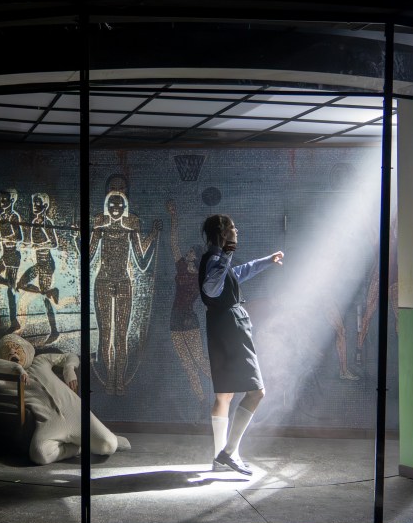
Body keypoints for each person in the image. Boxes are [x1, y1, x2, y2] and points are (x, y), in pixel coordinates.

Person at [198, 214, 284, 476]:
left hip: (220, 327)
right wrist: (229, 251)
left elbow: (237, 274)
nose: (236, 230)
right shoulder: (215, 258)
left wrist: (267, 261)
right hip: (231, 328)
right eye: (232, 227)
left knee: (224, 395)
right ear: (222, 232)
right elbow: (211, 289)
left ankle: (220, 459)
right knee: (257, 392)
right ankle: (228, 453)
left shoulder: (215, 258)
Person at [0, 333, 131, 465]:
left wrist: (69, 369)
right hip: (49, 421)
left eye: (17, 348)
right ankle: (78, 447)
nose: (12, 351)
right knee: (39, 454)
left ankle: (105, 438)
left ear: (26, 350)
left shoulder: (40, 360)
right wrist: (16, 368)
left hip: (75, 412)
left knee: (108, 445)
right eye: (6, 350)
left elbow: (69, 356)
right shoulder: (3, 379)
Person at [86, 188, 162, 395]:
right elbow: (89, 255)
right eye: (112, 205)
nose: (115, 209)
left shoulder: (131, 228)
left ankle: (119, 379)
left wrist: (153, 234)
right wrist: (86, 235)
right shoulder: (100, 228)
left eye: (119, 205)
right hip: (103, 282)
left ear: (124, 208)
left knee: (121, 336)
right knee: (105, 335)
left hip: (123, 283)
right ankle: (110, 376)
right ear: (107, 207)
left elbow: (141, 257)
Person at [166, 200, 211, 404]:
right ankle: (201, 400)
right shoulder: (181, 267)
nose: (188, 253)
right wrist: (173, 217)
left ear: (196, 256)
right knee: (187, 364)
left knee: (200, 360)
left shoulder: (202, 276)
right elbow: (173, 243)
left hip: (189, 319)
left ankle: (223, 387)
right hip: (175, 319)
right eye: (189, 251)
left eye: (192, 252)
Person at [16, 192, 61, 343]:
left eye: (38, 203)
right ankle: (50, 291)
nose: (35, 206)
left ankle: (54, 331)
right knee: (21, 284)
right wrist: (25, 244)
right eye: (33, 203)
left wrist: (38, 246)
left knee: (45, 300)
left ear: (45, 206)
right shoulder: (35, 221)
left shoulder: (47, 222)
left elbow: (54, 243)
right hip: (39, 263)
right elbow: (34, 243)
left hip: (47, 264)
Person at [0, 188, 24, 332]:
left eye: (5, 199)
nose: (1, 202)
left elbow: (18, 236)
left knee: (10, 292)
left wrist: (2, 238)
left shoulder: (13, 216)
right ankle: (11, 284)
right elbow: (0, 235)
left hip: (13, 256)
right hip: (5, 255)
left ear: (11, 200)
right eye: (0, 199)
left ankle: (14, 322)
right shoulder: (2, 216)